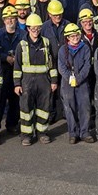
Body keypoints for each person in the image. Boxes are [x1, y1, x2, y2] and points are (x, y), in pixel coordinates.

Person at [13, 12, 57, 143]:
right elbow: (17, 66)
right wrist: (17, 84)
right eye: (33, 28)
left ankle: (42, 132)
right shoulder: (21, 45)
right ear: (28, 29)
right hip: (27, 81)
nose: (35, 31)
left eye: (38, 28)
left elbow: (51, 63)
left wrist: (54, 81)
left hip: (43, 80)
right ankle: (26, 135)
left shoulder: (46, 43)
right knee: (26, 108)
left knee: (44, 107)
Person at [57, 21, 93, 142]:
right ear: (67, 37)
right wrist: (70, 78)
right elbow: (61, 67)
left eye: (77, 35)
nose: (75, 38)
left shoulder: (85, 48)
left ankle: (85, 132)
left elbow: (87, 65)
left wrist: (79, 79)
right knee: (69, 108)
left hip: (82, 83)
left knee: (84, 107)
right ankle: (73, 133)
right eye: (72, 36)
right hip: (67, 83)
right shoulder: (62, 50)